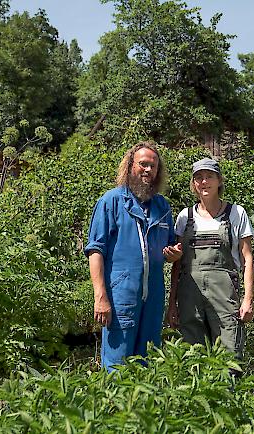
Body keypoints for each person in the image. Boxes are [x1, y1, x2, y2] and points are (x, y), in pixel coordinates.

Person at [85, 141, 183, 370]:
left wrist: (174, 255)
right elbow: (95, 251)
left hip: (154, 297)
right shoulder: (111, 202)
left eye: (154, 166)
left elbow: (169, 250)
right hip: (121, 296)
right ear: (130, 166)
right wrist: (100, 297)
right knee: (117, 364)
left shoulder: (162, 207)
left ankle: (142, 407)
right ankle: (114, 406)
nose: (148, 170)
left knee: (148, 360)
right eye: (143, 164)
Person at [167, 158, 254, 359]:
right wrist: (172, 303)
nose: (204, 182)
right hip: (189, 298)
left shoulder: (236, 213)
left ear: (219, 181)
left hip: (224, 296)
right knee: (193, 354)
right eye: (199, 178)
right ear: (193, 184)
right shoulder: (184, 217)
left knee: (230, 352)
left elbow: (247, 259)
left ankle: (231, 390)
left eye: (209, 177)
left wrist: (248, 299)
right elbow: (177, 265)